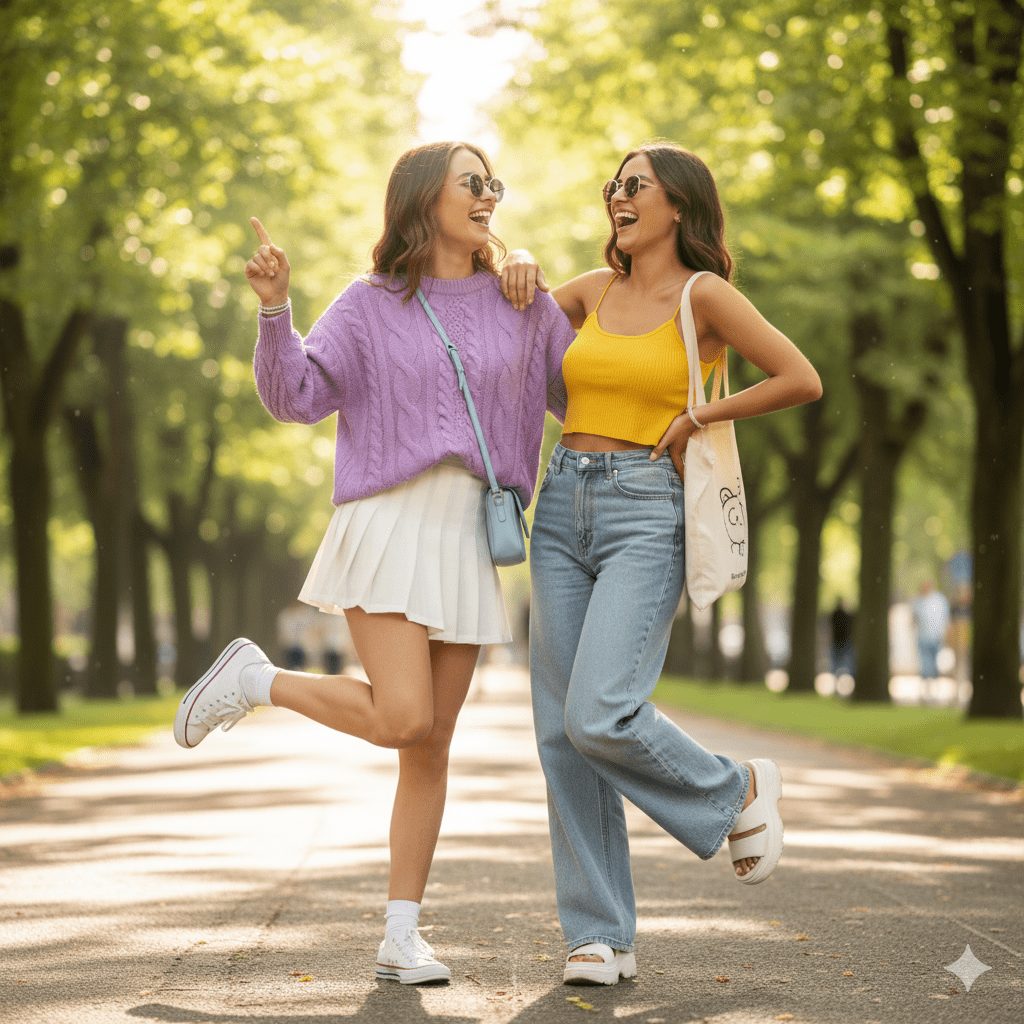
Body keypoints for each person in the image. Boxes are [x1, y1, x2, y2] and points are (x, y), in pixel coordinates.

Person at [173, 141, 575, 985]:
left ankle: (402, 936)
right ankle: (254, 681)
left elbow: (582, 390)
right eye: (473, 183)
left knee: (430, 747)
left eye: (494, 184)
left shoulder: (524, 301)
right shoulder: (368, 303)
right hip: (388, 523)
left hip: (473, 535)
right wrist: (276, 310)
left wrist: (550, 280)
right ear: (425, 198)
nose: (488, 197)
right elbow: (296, 399)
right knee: (403, 719)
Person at [501, 143, 823, 986]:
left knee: (600, 710)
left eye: (635, 184)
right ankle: (598, 936)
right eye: (614, 184)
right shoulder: (595, 290)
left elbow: (800, 377)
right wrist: (523, 259)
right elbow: (513, 313)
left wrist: (703, 414)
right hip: (562, 501)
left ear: (677, 204)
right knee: (560, 733)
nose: (619, 195)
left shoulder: (702, 295)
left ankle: (736, 788)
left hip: (649, 507)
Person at [912, 580, 950, 700]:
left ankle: (933, 690)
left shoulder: (939, 600)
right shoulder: (918, 601)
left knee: (933, 663)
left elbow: (945, 619)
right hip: (923, 637)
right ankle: (926, 690)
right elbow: (914, 618)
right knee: (925, 664)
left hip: (936, 637)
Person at [829, 599, 855, 678]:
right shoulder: (845, 615)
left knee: (837, 662)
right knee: (846, 662)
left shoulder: (835, 614)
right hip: (843, 641)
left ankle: (837, 677)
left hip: (838, 640)